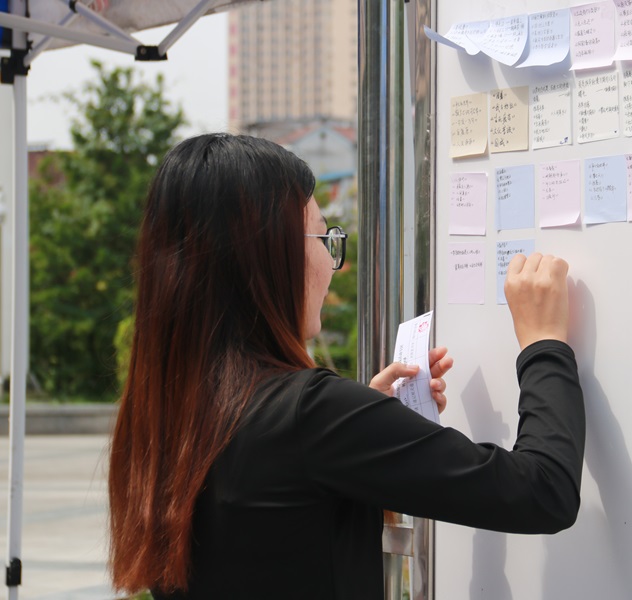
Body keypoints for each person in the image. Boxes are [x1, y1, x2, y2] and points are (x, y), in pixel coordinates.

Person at [108, 133, 585, 599]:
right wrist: (543, 342)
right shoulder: (313, 415)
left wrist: (366, 415)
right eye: (323, 236)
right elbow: (542, 493)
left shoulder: (167, 410)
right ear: (268, 254)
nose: (331, 262)